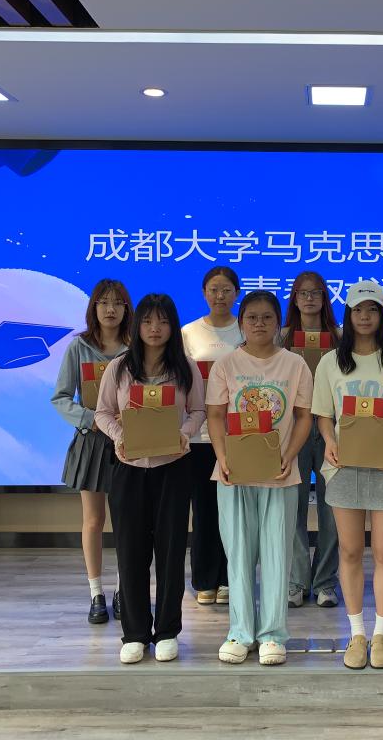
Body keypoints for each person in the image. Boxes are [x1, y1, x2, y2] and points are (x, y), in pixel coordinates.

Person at [311, 280, 383, 669]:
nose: (365, 316)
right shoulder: (331, 361)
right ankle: (356, 634)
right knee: (348, 550)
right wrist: (329, 440)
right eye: (358, 310)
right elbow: (323, 414)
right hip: (344, 468)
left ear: (382, 315)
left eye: (372, 309)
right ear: (349, 314)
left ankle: (381, 634)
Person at [95, 294, 205, 664]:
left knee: (171, 553)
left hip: (173, 468)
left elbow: (198, 410)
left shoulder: (186, 368)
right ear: (137, 325)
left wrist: (184, 434)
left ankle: (168, 630)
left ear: (173, 326)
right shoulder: (119, 368)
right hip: (129, 470)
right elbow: (103, 412)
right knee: (131, 553)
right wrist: (120, 436)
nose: (154, 329)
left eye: (162, 321)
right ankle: (136, 634)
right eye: (147, 321)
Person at [207, 291, 314, 666]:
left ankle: (272, 635)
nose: (259, 324)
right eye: (251, 317)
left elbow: (304, 416)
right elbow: (215, 415)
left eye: (267, 317)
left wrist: (289, 455)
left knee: (276, 556)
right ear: (241, 323)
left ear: (278, 323)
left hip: (279, 474)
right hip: (234, 475)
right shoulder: (226, 364)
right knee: (238, 556)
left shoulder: (295, 364)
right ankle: (240, 632)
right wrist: (223, 457)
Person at [51, 279, 132, 625]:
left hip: (130, 441)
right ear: (93, 308)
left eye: (117, 303)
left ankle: (123, 590)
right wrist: (92, 420)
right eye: (103, 302)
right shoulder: (79, 347)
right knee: (94, 520)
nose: (110, 309)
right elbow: (60, 398)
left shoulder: (135, 348)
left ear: (127, 309)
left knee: (128, 522)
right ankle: (96, 592)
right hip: (93, 442)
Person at [181, 267, 242, 605]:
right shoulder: (189, 332)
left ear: (237, 293)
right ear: (204, 293)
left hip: (239, 434)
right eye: (214, 289)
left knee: (235, 512)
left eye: (226, 289)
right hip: (199, 437)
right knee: (203, 510)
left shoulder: (246, 328)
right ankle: (205, 579)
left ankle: (230, 579)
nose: (220, 295)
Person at [281, 272, 341, 609]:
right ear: (294, 297)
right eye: (302, 293)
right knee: (294, 507)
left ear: (324, 297)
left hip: (332, 428)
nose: (309, 298)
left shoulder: (340, 337)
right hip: (294, 427)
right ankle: (296, 580)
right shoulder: (282, 337)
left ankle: (325, 582)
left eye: (315, 292)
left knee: (333, 511)